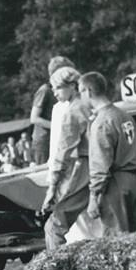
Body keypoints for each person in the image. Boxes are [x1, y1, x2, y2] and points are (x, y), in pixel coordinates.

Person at [79, 72, 136, 236]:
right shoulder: (124, 115)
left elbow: (100, 164)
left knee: (117, 241)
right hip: (135, 179)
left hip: (117, 184)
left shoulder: (102, 122)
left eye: (80, 92)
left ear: (88, 91)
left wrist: (94, 196)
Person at [40, 65, 92, 250]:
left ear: (71, 86)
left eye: (57, 88)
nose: (54, 93)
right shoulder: (91, 105)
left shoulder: (72, 112)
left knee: (53, 227)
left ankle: (57, 263)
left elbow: (63, 152)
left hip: (85, 169)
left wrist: (52, 188)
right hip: (100, 167)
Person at [30, 55, 75, 165]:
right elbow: (34, 118)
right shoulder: (45, 90)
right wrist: (57, 126)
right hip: (44, 141)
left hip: (57, 136)